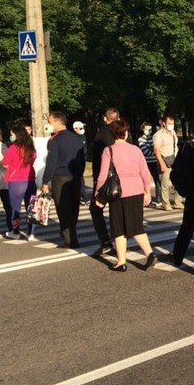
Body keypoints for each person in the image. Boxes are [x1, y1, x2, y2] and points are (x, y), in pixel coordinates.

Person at [94, 119, 157, 271]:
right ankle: (150, 254)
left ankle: (121, 262)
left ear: (112, 134)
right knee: (136, 226)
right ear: (126, 133)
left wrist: (98, 195)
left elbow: (102, 175)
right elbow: (145, 172)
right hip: (136, 190)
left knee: (118, 227)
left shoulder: (109, 150)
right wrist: (147, 191)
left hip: (118, 192)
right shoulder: (135, 149)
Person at [41, 112, 85, 249]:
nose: (48, 125)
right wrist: (79, 174)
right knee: (74, 207)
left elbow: (51, 162)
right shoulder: (77, 138)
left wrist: (45, 181)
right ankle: (71, 234)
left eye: (49, 122)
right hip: (75, 176)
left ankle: (70, 239)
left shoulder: (55, 140)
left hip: (60, 177)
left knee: (63, 208)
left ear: (58, 122)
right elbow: (82, 159)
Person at [169, 120, 194, 266]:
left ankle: (177, 256)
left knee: (187, 226)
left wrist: (183, 189)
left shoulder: (187, 146)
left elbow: (179, 169)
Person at [90, 108, 121, 255]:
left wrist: (96, 178)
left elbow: (97, 158)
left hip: (105, 176)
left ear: (105, 119)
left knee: (96, 209)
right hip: (121, 176)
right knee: (117, 210)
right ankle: (119, 240)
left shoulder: (102, 134)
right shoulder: (123, 132)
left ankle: (105, 241)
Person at [2, 125, 37, 241]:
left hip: (16, 181)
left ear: (17, 135)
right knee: (31, 207)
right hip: (30, 179)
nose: (11, 136)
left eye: (12, 134)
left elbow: (5, 163)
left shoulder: (12, 148)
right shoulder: (31, 148)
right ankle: (31, 233)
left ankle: (15, 232)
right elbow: (33, 160)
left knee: (15, 208)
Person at [154, 115, 183, 211]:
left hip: (175, 160)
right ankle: (166, 204)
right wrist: (161, 163)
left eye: (172, 123)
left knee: (179, 181)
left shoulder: (173, 132)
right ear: (164, 123)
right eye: (169, 123)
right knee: (165, 184)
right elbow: (156, 150)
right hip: (165, 161)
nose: (171, 125)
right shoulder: (158, 135)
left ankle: (177, 202)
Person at [138, 121, 161, 207]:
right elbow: (145, 151)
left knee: (157, 180)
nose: (148, 131)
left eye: (150, 129)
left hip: (154, 162)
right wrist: (154, 152)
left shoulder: (153, 138)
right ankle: (146, 199)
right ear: (143, 129)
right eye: (147, 129)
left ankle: (159, 199)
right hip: (146, 163)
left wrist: (154, 151)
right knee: (146, 181)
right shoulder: (140, 139)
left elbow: (157, 148)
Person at [72, 120, 88, 204]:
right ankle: (81, 197)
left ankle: (82, 196)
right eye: (80, 128)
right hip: (75, 161)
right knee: (78, 180)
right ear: (75, 129)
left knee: (80, 179)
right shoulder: (72, 138)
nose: (82, 130)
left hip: (82, 161)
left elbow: (84, 149)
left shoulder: (83, 136)